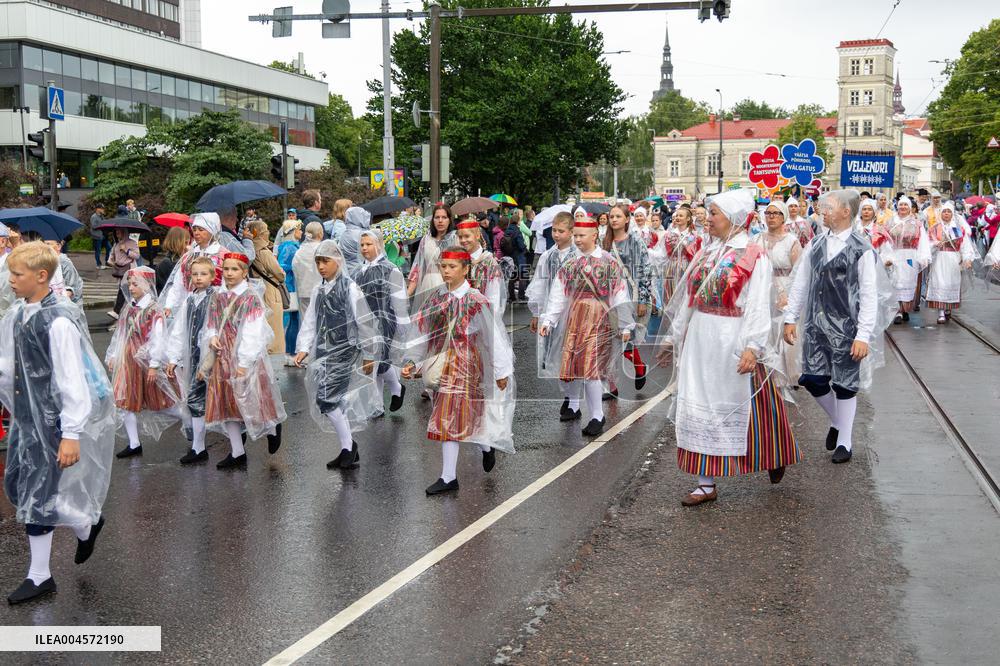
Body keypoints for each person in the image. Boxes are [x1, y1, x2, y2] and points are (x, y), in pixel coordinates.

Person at [656, 189, 799, 506]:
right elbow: (690, 300)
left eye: (714, 214)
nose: (708, 219)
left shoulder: (753, 256)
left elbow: (758, 305)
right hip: (701, 338)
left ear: (733, 218)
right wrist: (672, 338)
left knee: (751, 402)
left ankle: (775, 452)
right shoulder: (706, 252)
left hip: (733, 335)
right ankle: (705, 483)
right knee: (699, 401)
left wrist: (752, 346)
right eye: (708, 213)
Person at [0, 242, 115, 604]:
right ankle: (85, 522)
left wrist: (71, 434)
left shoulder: (58, 321)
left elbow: (72, 380)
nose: (10, 280)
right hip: (26, 418)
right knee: (17, 486)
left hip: (51, 421)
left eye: (16, 274)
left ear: (41, 276)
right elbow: (8, 364)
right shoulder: (19, 313)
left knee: (38, 493)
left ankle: (40, 576)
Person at [783, 189, 894, 465]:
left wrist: (863, 335)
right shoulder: (816, 244)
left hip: (847, 327)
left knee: (845, 384)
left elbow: (869, 294)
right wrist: (790, 317)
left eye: (829, 207)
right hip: (815, 325)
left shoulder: (861, 249)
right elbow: (800, 283)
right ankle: (837, 420)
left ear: (846, 212)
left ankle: (845, 441)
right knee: (812, 379)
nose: (823, 211)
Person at [401, 247, 515, 495]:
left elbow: (493, 336)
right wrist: (413, 361)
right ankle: (477, 453)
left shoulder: (476, 300)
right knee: (452, 414)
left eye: (452, 267)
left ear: (465, 269)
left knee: (453, 414)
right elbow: (424, 333)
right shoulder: (436, 298)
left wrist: (501, 370)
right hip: (440, 361)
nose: (446, 271)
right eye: (443, 266)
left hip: (465, 362)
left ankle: (452, 473)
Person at [539, 213, 633, 435]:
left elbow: (620, 293)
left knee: (591, 368)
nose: (578, 239)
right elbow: (559, 293)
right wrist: (549, 319)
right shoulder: (571, 263)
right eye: (576, 235)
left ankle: (597, 415)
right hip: (575, 318)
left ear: (594, 235)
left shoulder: (608, 261)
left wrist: (625, 325)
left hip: (599, 319)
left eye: (582, 235)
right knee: (574, 366)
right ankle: (574, 404)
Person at [295, 240, 380, 469]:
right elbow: (310, 320)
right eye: (318, 262)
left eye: (326, 261)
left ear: (338, 261)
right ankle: (347, 447)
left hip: (344, 350)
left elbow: (364, 321)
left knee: (327, 398)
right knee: (331, 398)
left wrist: (369, 353)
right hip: (324, 351)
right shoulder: (318, 290)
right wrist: (303, 347)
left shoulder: (350, 288)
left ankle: (348, 447)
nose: (321, 267)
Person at [202, 253, 285, 468]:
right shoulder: (218, 296)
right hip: (222, 357)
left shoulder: (250, 298)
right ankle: (237, 452)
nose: (229, 273)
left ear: (244, 272)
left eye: (234, 269)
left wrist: (244, 363)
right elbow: (211, 322)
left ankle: (272, 427)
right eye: (226, 269)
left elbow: (253, 332)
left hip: (243, 357)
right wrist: (212, 336)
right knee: (227, 404)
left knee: (253, 399)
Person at [106, 266, 179, 459]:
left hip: (146, 361)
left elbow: (158, 339)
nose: (131, 287)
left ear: (147, 285)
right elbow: (120, 333)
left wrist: (154, 364)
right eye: (129, 283)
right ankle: (134, 443)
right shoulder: (129, 307)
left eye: (135, 284)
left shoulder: (153, 310)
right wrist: (114, 354)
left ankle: (190, 424)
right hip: (128, 360)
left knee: (163, 401)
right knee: (125, 401)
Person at [526, 211, 579, 419]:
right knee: (555, 355)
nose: (556, 234)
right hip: (552, 311)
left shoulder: (578, 255)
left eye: (561, 231)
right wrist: (537, 313)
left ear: (571, 231)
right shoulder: (548, 256)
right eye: (554, 230)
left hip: (574, 311)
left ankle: (575, 402)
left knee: (572, 354)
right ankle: (567, 395)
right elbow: (539, 284)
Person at [351, 229, 410, 415]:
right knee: (370, 364)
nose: (364, 248)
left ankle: (396, 387)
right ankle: (376, 405)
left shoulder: (390, 269)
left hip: (385, 321)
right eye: (362, 245)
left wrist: (402, 325)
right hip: (365, 323)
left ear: (379, 245)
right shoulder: (357, 272)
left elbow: (399, 298)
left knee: (380, 361)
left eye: (369, 244)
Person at [164, 256, 217, 464]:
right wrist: (173, 357)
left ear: (212, 276)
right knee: (195, 399)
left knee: (222, 399)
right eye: (195, 274)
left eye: (203, 274)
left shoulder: (216, 298)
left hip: (211, 357)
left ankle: (264, 426)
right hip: (193, 358)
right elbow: (179, 330)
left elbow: (216, 327)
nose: (198, 278)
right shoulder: (190, 299)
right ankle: (198, 447)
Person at [751, 200, 802, 388]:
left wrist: (787, 295)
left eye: (776, 213)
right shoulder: (756, 239)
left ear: (783, 217)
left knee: (782, 332)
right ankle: (765, 373)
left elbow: (798, 272)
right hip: (762, 289)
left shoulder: (791, 241)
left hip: (784, 289)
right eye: (768, 213)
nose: (771, 217)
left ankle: (786, 375)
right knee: (764, 331)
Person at [602, 204, 651, 390]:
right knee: (610, 339)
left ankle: (639, 367)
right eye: (612, 216)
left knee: (625, 336)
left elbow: (645, 269)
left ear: (627, 219)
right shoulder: (604, 241)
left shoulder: (635, 240)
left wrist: (643, 300)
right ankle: (611, 385)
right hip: (610, 295)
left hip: (631, 294)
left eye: (618, 216)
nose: (614, 219)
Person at [161, 213, 226, 317]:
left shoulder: (223, 255)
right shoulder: (189, 256)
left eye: (201, 229)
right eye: (194, 229)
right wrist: (169, 305)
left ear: (212, 231)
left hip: (215, 309)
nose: (196, 233)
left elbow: (229, 283)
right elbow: (179, 283)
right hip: (189, 307)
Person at [925, 202, 979, 323]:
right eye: (944, 211)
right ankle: (941, 312)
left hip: (953, 260)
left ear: (952, 214)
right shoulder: (934, 228)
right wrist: (935, 244)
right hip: (939, 259)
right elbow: (927, 244)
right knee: (940, 283)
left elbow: (965, 245)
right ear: (941, 213)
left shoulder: (958, 229)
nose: (946, 214)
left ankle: (948, 308)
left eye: (949, 212)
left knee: (950, 284)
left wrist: (967, 259)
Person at [886, 196, 931, 324]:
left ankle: (905, 309)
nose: (903, 207)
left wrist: (924, 256)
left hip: (910, 256)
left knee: (908, 282)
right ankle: (897, 311)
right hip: (895, 255)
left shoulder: (916, 223)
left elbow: (922, 240)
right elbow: (885, 240)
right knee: (895, 281)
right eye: (901, 205)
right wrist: (886, 256)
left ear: (910, 208)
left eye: (906, 205)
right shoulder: (890, 222)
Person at [245, 220, 287, 355]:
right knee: (274, 326)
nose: (268, 232)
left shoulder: (249, 249)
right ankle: (274, 355)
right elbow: (279, 273)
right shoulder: (263, 252)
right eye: (266, 229)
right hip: (270, 290)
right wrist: (282, 274)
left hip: (257, 289)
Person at [408, 203, 456, 313]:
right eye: (437, 217)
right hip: (427, 286)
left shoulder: (455, 239)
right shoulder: (426, 239)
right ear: (433, 220)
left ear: (449, 220)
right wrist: (408, 293)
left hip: (449, 285)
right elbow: (417, 268)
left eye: (444, 217)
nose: (440, 221)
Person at [456, 217, 506, 315]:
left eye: (467, 236)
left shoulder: (489, 262)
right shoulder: (458, 260)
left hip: (482, 316)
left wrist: (491, 319)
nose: (463, 240)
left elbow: (494, 298)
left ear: (477, 235)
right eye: (460, 237)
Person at [276, 219, 304, 366]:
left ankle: (290, 351)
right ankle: (291, 352)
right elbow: (283, 266)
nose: (301, 232)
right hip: (291, 287)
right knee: (294, 320)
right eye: (299, 229)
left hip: (292, 286)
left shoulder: (289, 246)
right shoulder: (290, 247)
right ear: (293, 231)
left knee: (294, 320)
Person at [107, 228, 140, 318]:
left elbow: (137, 255)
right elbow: (111, 256)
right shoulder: (116, 244)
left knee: (123, 288)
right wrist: (111, 262)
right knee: (127, 291)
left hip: (130, 270)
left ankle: (117, 311)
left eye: (119, 231)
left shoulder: (132, 243)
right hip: (119, 271)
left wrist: (126, 250)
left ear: (124, 232)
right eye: (116, 231)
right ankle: (132, 310)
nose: (117, 233)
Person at [293, 222, 324, 315]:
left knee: (305, 318)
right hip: (320, 289)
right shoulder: (322, 248)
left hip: (303, 290)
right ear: (320, 234)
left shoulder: (300, 250)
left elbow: (294, 267)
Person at [155, 227, 190, 295]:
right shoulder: (168, 263)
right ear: (178, 243)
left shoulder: (180, 259)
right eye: (186, 243)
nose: (187, 246)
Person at [340, 206, 372, 274]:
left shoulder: (344, 234)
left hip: (347, 270)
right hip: (361, 271)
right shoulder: (361, 234)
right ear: (358, 217)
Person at [89, 203, 111, 269]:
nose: (103, 209)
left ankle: (107, 262)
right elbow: (94, 226)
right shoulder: (94, 217)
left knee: (109, 248)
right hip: (97, 236)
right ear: (98, 209)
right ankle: (98, 265)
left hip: (103, 236)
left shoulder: (102, 216)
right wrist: (102, 225)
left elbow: (104, 224)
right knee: (98, 251)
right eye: (102, 208)